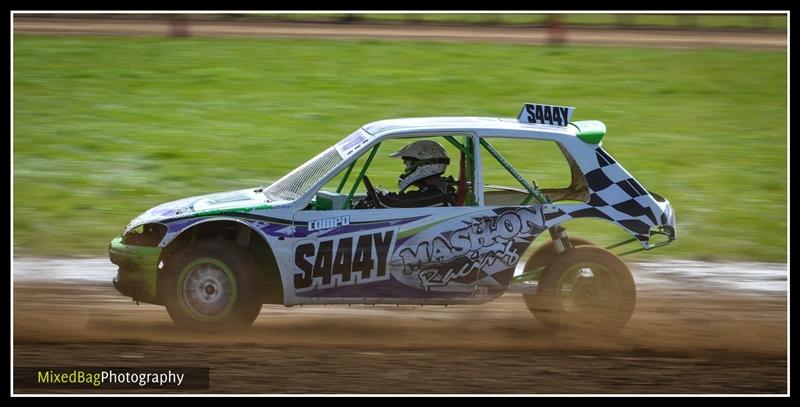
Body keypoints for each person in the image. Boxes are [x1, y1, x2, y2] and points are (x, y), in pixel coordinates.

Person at [371, 140, 457, 208]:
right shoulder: (436, 190)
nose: (406, 170)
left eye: (409, 164)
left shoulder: (435, 195)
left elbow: (399, 204)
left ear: (427, 165)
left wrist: (379, 196)